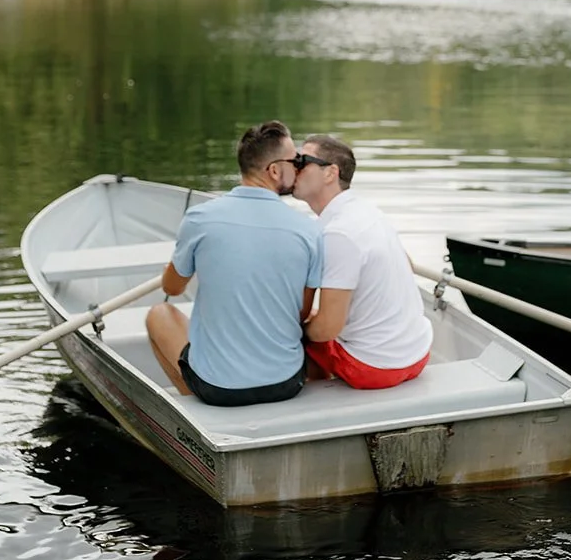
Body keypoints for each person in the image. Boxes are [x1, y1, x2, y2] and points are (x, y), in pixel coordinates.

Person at [145, 120, 323, 406]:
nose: (299, 167)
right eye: (295, 161)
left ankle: (197, 402)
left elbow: (173, 288)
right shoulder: (309, 230)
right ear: (275, 170)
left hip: (218, 390)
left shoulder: (199, 219)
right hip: (287, 383)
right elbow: (300, 313)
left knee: (158, 313)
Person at [292, 134, 433, 389]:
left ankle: (318, 399)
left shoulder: (338, 233)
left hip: (374, 368)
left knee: (293, 335)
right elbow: (407, 265)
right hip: (418, 354)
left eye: (302, 161)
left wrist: (298, 329)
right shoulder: (367, 211)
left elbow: (327, 330)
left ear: (330, 173)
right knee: (315, 318)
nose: (294, 167)